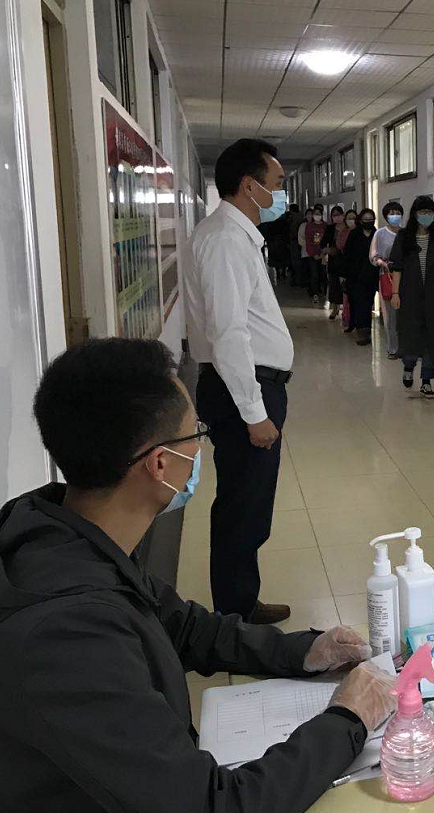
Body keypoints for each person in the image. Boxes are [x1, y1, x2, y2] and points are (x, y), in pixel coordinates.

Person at [0, 337, 397, 813]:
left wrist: (303, 652)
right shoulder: (64, 635)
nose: (201, 449)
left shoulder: (71, 535)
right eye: (196, 435)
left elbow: (182, 626)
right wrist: (348, 719)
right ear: (159, 464)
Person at [183, 138, 294, 624]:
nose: (281, 194)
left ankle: (241, 601)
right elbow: (228, 334)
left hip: (248, 384)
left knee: (248, 500)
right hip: (243, 390)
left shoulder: (236, 236)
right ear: (250, 186)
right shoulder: (226, 240)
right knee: (241, 503)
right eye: (277, 183)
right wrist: (254, 412)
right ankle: (234, 617)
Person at [388, 196, 434, 398]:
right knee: (410, 334)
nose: (426, 216)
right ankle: (408, 367)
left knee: (431, 338)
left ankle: (426, 381)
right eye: (422, 212)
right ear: (415, 214)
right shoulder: (404, 237)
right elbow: (397, 268)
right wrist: (395, 293)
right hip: (409, 295)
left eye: (429, 212)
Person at [371, 201, 404, 359]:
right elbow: (373, 256)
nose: (395, 216)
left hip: (405, 277)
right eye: (392, 213)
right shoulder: (380, 234)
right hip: (387, 276)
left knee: (405, 314)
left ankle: (406, 346)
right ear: (386, 216)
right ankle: (393, 348)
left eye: (398, 213)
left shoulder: (405, 233)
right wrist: (382, 263)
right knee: (391, 315)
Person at [343, 207, 379, 346]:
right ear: (361, 220)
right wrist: (346, 274)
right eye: (365, 219)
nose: (368, 221)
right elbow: (347, 254)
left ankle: (366, 330)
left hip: (371, 275)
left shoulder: (376, 234)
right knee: (359, 303)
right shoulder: (354, 234)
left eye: (371, 219)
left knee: (368, 303)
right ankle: (361, 332)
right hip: (356, 276)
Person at [323, 206, 349, 322]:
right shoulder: (330, 228)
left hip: (346, 259)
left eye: (339, 214)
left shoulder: (348, 228)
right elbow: (323, 243)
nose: (337, 217)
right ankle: (335, 308)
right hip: (334, 259)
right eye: (334, 215)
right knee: (334, 285)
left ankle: (346, 310)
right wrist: (326, 250)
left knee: (345, 285)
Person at [302, 204, 327, 302]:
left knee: (324, 275)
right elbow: (308, 241)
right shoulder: (309, 226)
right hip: (313, 255)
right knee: (314, 275)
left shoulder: (325, 226)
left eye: (319, 214)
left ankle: (326, 294)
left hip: (324, 254)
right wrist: (313, 254)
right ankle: (315, 293)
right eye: (315, 214)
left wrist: (323, 253)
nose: (317, 215)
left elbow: (327, 240)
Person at [287, 202, 306, 289]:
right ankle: (300, 279)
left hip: (295, 241)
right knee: (300, 261)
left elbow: (292, 230)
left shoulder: (293, 217)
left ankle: (298, 280)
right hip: (300, 241)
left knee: (296, 262)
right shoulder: (301, 216)